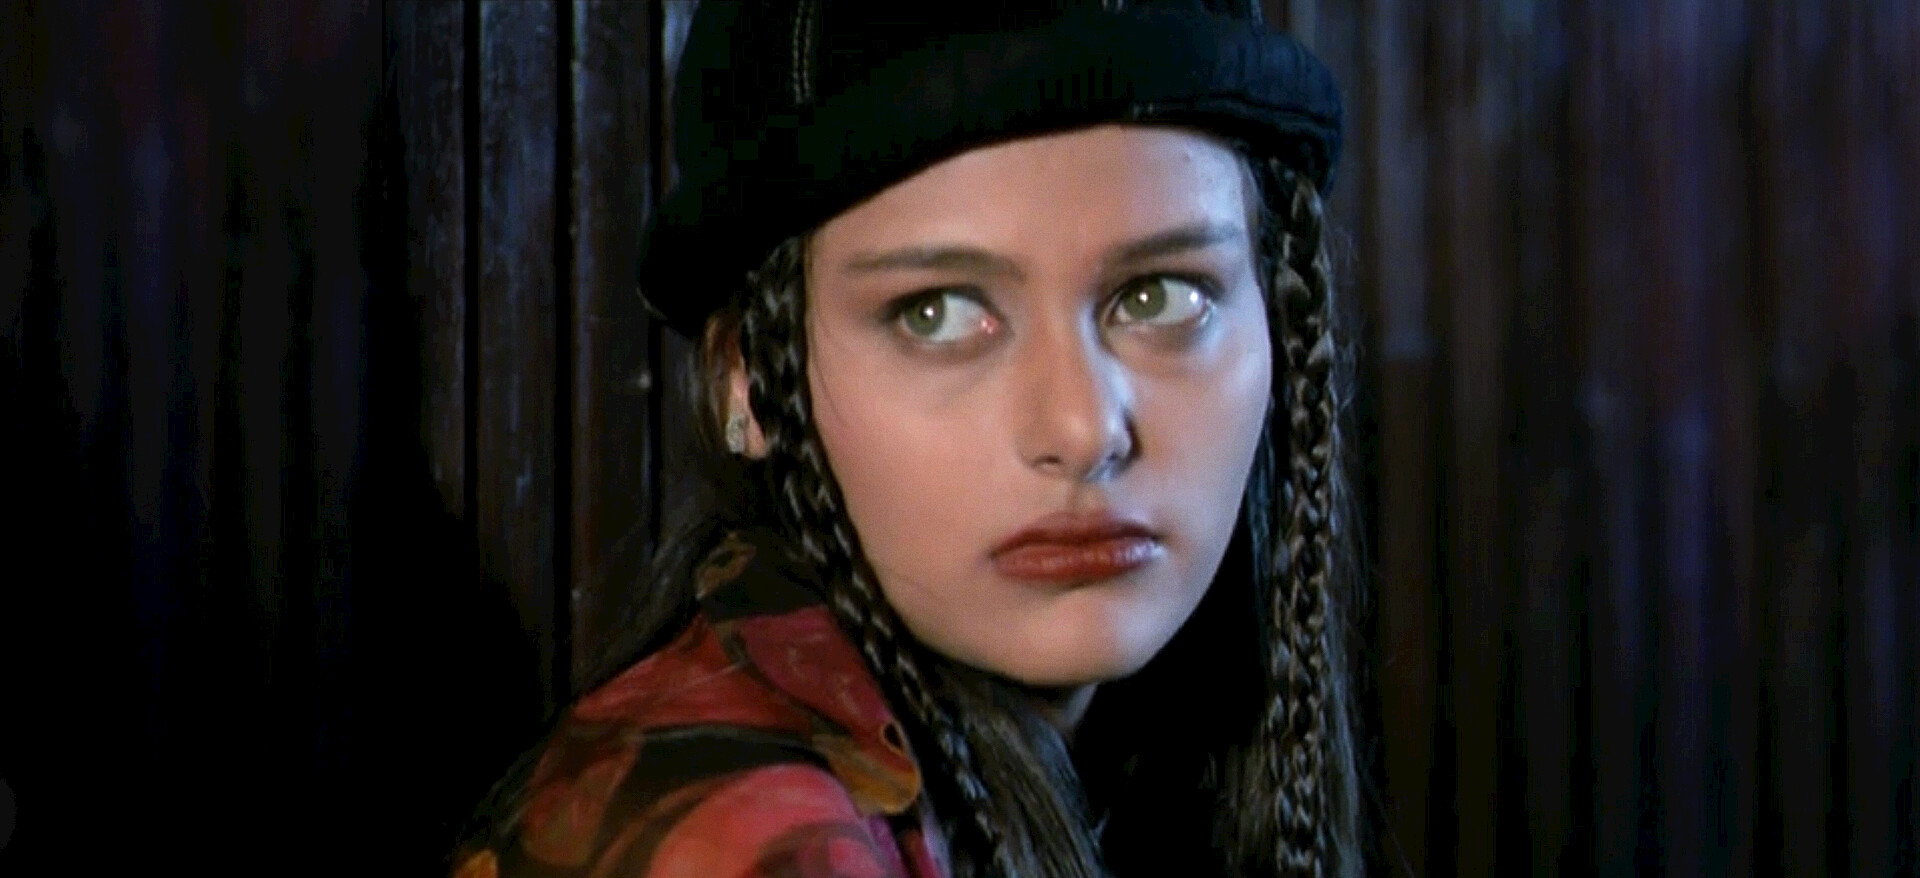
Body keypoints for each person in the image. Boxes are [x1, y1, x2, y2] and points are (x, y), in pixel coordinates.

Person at [454, 2, 1363, 876]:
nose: (1084, 430)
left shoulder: (1153, 756)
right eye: (938, 313)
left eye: (1161, 297)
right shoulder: (739, 841)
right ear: (747, 377)